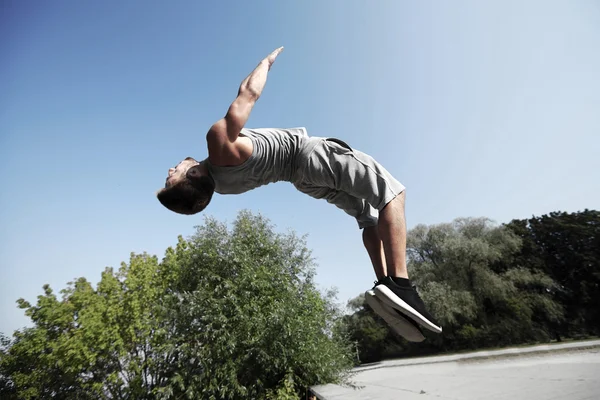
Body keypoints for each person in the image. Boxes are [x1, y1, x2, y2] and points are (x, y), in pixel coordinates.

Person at [156, 47, 442, 341]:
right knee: (391, 193)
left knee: (366, 216)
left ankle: (384, 283)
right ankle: (401, 284)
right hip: (310, 157)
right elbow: (248, 94)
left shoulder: (225, 188)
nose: (170, 169)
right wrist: (265, 63)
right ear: (191, 175)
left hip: (303, 181)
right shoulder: (218, 143)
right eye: (171, 177)